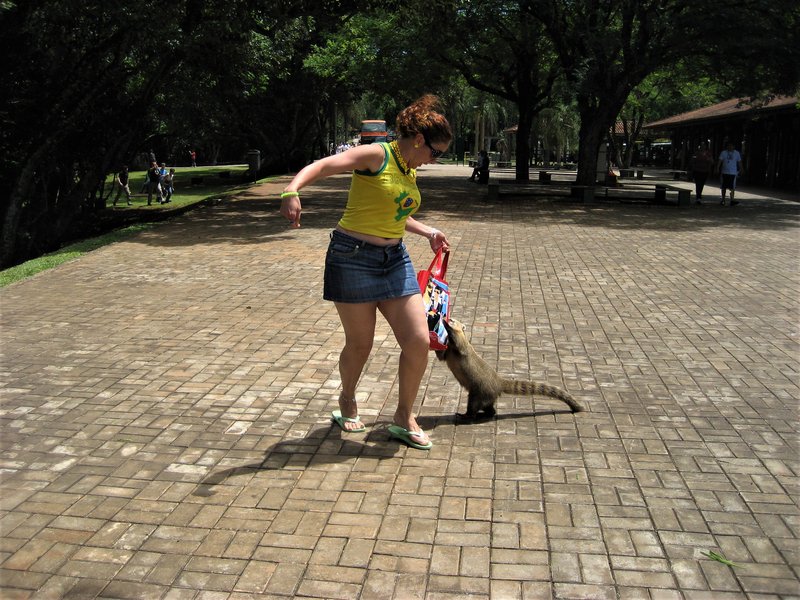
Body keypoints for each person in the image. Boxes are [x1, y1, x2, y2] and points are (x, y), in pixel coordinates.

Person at [279, 94, 453, 450]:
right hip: (352, 258)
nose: (435, 160)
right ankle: (346, 399)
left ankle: (404, 416)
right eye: (436, 153)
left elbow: (395, 212)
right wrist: (291, 190)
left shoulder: (407, 168)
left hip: (394, 260)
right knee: (361, 344)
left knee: (418, 340)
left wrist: (428, 232)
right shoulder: (378, 155)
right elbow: (325, 165)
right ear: (419, 140)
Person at [716, 140, 743, 206]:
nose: (730, 147)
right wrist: (717, 168)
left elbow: (739, 162)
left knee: (732, 187)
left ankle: (732, 200)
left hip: (733, 172)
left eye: (731, 146)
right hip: (724, 172)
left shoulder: (737, 153)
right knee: (723, 187)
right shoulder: (723, 153)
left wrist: (742, 168)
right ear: (727, 146)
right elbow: (720, 161)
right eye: (729, 145)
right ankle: (723, 200)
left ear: (734, 146)